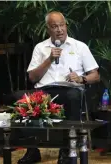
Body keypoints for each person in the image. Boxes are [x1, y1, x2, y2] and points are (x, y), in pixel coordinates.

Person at [16, 11, 100, 164]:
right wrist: (49, 59)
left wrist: (81, 78)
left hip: (71, 90)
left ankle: (67, 150)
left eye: (62, 25)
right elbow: (32, 78)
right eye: (55, 26)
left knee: (73, 96)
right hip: (44, 91)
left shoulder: (79, 46)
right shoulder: (40, 48)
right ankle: (32, 150)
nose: (59, 30)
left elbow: (95, 76)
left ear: (66, 26)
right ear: (48, 29)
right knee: (20, 98)